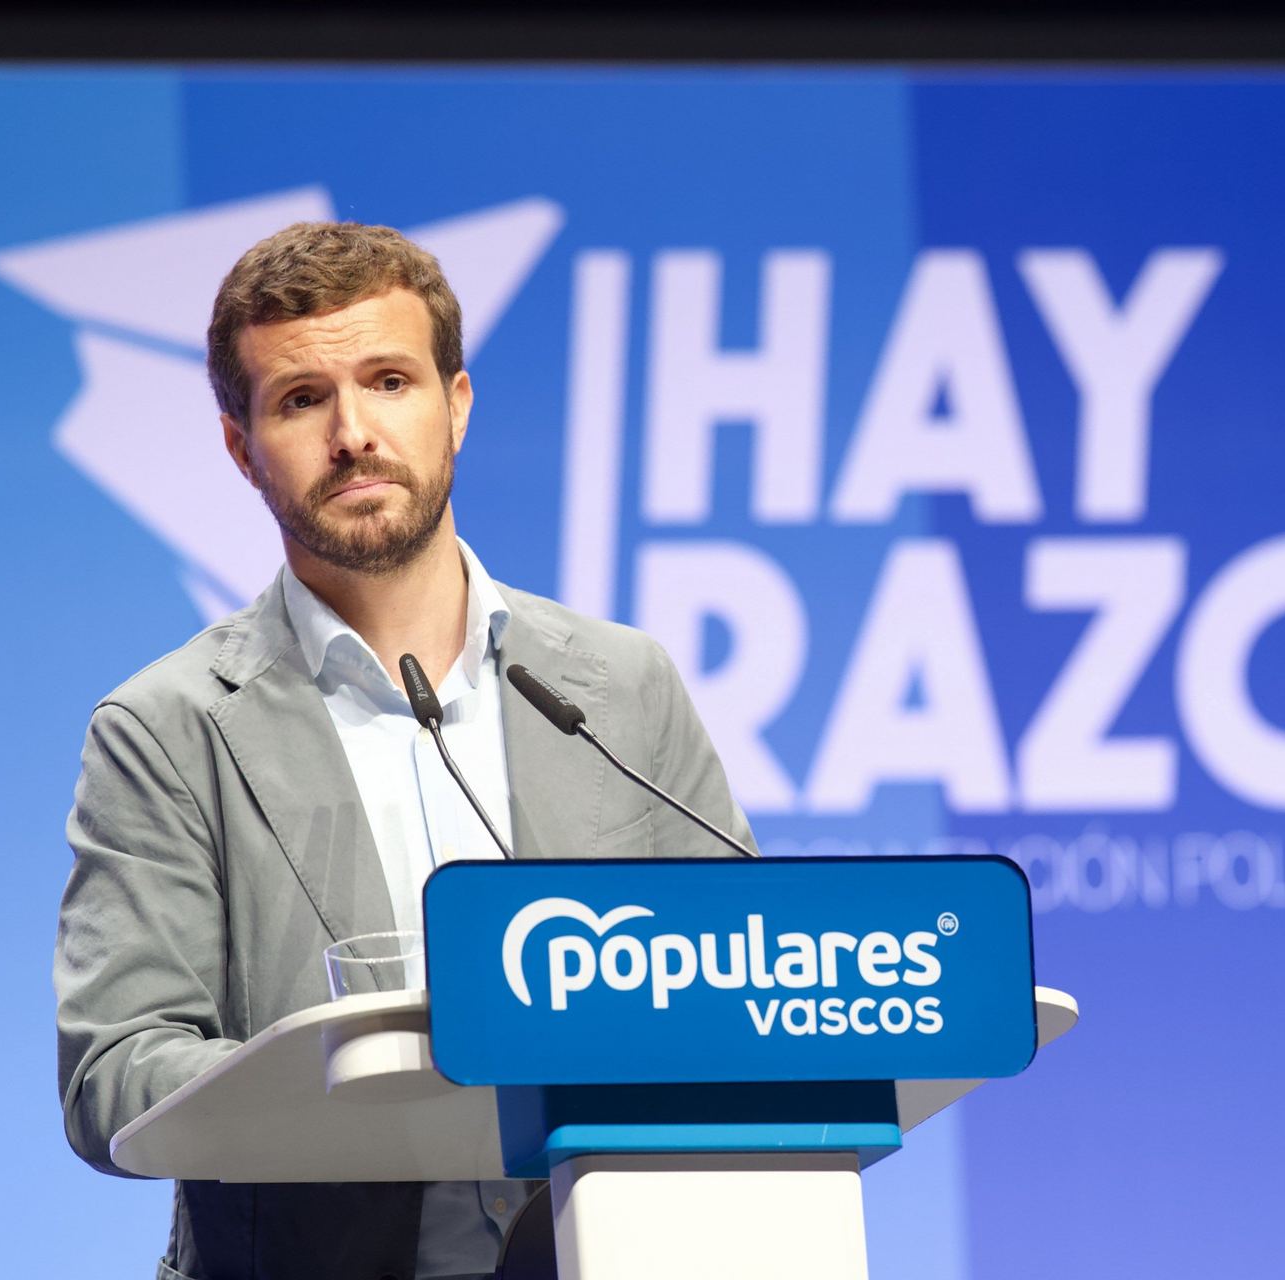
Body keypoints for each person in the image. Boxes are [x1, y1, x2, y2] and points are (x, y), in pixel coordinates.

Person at [53, 222, 757, 1280]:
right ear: (242, 447)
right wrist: (370, 1077)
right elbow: (114, 1073)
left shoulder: (620, 685)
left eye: (389, 380)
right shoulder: (169, 727)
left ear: (456, 405)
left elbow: (746, 993)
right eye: (301, 399)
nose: (354, 433)